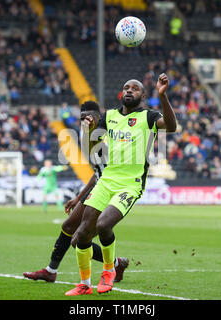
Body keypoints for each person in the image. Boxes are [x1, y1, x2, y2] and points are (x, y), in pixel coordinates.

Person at [65, 73, 177, 296]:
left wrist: (163, 96)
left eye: (135, 88)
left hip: (130, 184)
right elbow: (92, 146)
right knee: (82, 235)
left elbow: (171, 126)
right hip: (106, 181)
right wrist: (87, 130)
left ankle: (109, 271)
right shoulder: (109, 117)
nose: (129, 90)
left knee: (104, 225)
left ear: (143, 96)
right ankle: (84, 284)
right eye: (126, 87)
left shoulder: (149, 117)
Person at [23, 101, 129, 283]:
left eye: (90, 117)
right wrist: (78, 198)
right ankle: (51, 270)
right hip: (99, 187)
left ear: (99, 117)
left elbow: (107, 174)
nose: (86, 120)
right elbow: (97, 174)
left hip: (110, 191)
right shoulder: (87, 138)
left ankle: (116, 264)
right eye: (82, 118)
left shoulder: (107, 140)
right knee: (68, 227)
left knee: (77, 240)